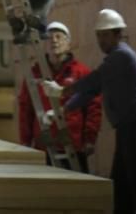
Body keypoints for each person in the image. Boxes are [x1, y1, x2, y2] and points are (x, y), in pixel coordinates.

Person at [43, 9, 136, 214]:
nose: (101, 40)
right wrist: (63, 109)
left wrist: (62, 90)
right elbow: (91, 91)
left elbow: (94, 80)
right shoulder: (116, 57)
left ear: (118, 34)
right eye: (99, 35)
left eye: (105, 35)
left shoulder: (121, 55)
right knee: (122, 183)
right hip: (127, 127)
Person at [18, 20, 101, 173]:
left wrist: (89, 139)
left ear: (68, 43)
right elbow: (25, 107)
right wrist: (25, 139)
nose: (54, 41)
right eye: (49, 38)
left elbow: (93, 107)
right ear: (44, 44)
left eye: (58, 37)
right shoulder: (35, 74)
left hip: (73, 145)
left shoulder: (81, 73)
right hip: (44, 145)